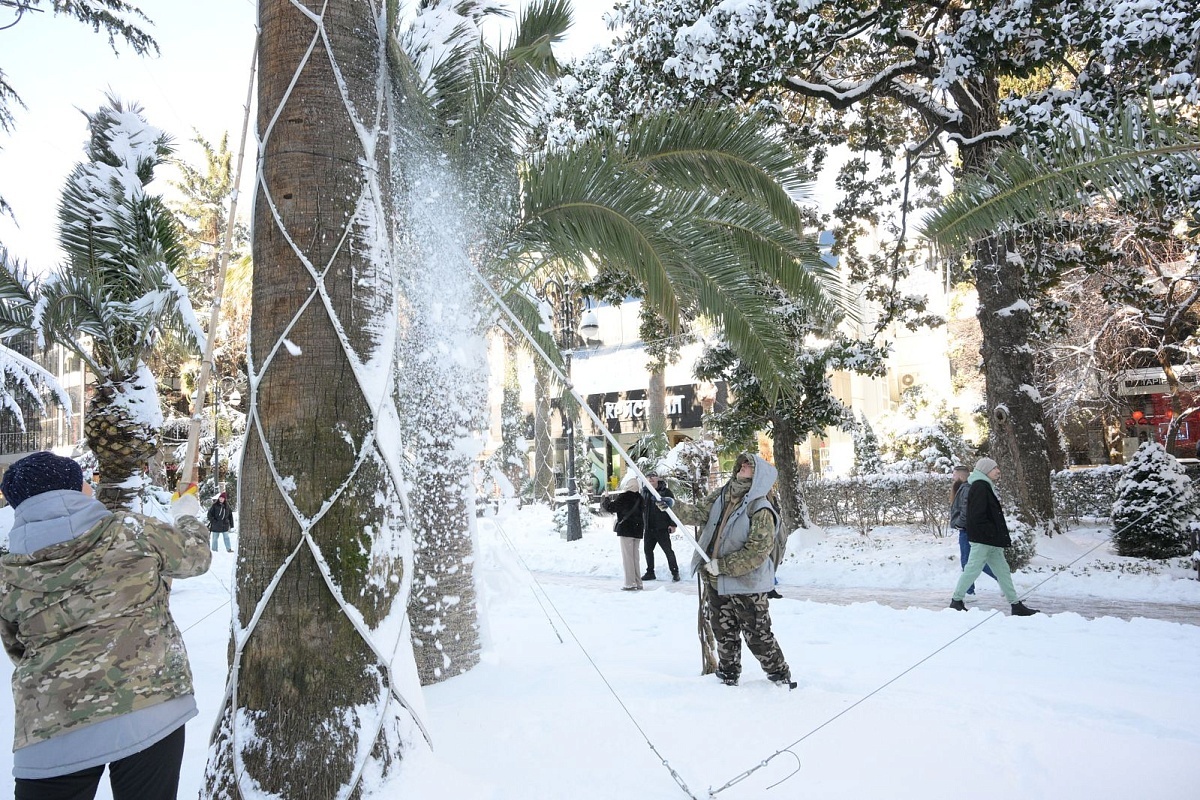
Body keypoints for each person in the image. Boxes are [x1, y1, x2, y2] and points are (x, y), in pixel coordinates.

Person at [0, 451, 211, 800]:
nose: (90, 485)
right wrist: (186, 514)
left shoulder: (9, 574)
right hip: (150, 707)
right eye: (84, 479)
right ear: (73, 488)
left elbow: (17, 647)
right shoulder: (132, 531)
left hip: (51, 730)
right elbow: (196, 556)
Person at [672, 453, 794, 688]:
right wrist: (671, 503)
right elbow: (699, 514)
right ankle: (728, 674)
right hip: (717, 580)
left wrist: (723, 566)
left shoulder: (761, 508)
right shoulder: (723, 496)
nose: (744, 466)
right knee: (723, 632)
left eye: (750, 465)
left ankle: (780, 676)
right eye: (743, 463)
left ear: (760, 476)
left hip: (748, 584)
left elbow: (757, 552)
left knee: (758, 635)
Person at [949, 457, 1040, 616]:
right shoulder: (979, 487)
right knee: (972, 569)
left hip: (990, 540)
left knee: (1003, 571)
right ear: (985, 470)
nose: (998, 471)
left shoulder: (983, 485)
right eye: (994, 468)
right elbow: (976, 516)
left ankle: (1016, 605)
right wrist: (990, 532)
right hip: (984, 540)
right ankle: (956, 601)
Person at [949, 464, 995, 596]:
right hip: (970, 528)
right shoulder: (967, 487)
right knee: (975, 561)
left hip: (967, 529)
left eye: (954, 475)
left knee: (968, 561)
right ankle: (1002, 580)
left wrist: (959, 524)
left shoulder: (966, 488)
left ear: (961, 475)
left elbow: (966, 510)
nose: (953, 478)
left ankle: (969, 592)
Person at [600, 474, 645, 591]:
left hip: (626, 530)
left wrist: (606, 498)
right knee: (635, 557)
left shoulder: (624, 497)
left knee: (628, 557)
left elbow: (610, 507)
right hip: (638, 530)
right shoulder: (640, 498)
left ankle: (630, 583)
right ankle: (638, 582)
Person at [640, 472, 680, 582]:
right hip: (649, 527)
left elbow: (673, 509)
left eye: (653, 476)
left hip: (662, 527)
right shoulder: (645, 492)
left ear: (658, 478)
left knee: (668, 550)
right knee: (647, 551)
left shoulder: (665, 492)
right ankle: (650, 572)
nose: (651, 478)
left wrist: (672, 524)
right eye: (648, 477)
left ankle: (675, 572)